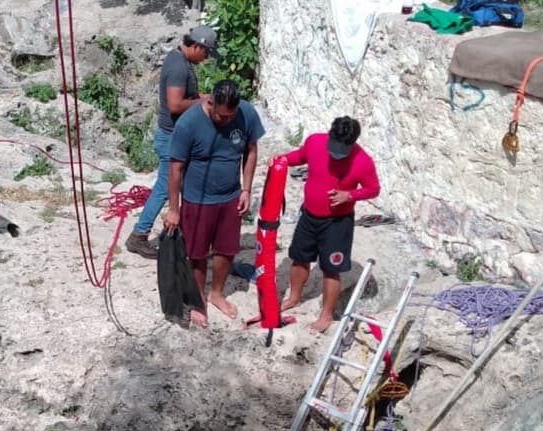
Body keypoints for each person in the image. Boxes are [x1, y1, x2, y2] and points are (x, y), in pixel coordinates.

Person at [162, 80, 264, 328]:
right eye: (222, 116)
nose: (227, 121)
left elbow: (251, 150)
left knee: (227, 249)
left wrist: (246, 189)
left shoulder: (246, 113)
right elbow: (175, 169)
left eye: (231, 115)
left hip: (230, 195)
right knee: (197, 253)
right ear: (210, 103)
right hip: (198, 199)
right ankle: (199, 301)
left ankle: (217, 293)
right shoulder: (189, 123)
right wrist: (174, 209)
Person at [280, 116, 381, 332]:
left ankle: (326, 315)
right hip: (309, 215)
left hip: (338, 222)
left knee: (331, 269)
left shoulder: (363, 161)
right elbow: (300, 156)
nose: (336, 153)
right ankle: (294, 297)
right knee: (299, 258)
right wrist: (281, 160)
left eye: (342, 149)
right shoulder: (315, 142)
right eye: (334, 146)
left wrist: (350, 195)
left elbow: (373, 189)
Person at [126, 26, 217, 259]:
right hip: (171, 138)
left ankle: (184, 231)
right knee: (166, 187)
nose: (206, 58)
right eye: (205, 53)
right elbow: (175, 105)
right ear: (196, 46)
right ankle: (139, 234)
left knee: (177, 185)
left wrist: (200, 98)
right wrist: (203, 103)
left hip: (174, 135)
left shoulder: (180, 61)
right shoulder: (178, 67)